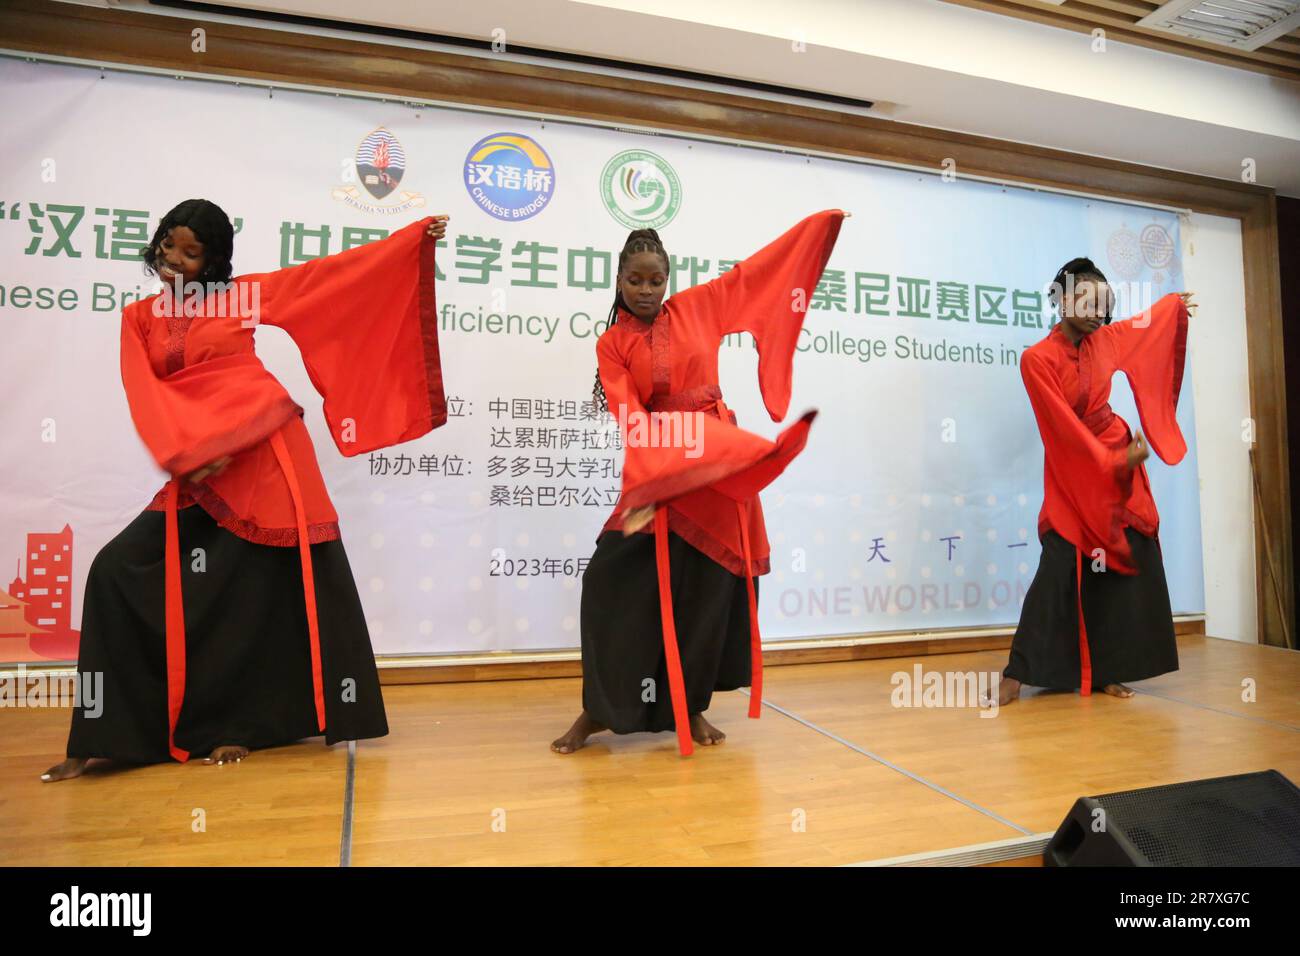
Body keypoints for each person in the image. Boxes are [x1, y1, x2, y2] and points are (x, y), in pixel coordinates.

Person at [43, 198, 449, 779]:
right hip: (201, 463)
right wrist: (184, 454)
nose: (174, 260)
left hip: (266, 453)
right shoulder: (139, 318)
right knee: (115, 570)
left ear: (213, 261)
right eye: (168, 245)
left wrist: (409, 242)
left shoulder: (241, 297)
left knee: (249, 594)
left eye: (191, 251)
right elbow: (145, 392)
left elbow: (325, 281)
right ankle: (104, 736)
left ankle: (242, 728)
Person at [552, 209, 847, 755]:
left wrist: (819, 227)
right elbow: (628, 412)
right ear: (617, 279)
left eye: (656, 279)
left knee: (706, 594)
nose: (646, 290)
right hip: (661, 464)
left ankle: (691, 707)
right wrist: (648, 487)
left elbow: (761, 274)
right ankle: (598, 710)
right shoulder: (612, 343)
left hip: (715, 464)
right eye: (635, 279)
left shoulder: (700, 307)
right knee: (609, 586)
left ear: (670, 279)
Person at [993, 257, 1195, 705]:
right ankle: (1017, 672)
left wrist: (1173, 306)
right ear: (1061, 299)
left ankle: (1108, 668)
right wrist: (1109, 462)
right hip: (1077, 462)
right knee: (1061, 564)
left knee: (1120, 564)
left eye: (1101, 303)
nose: (1093, 310)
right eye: (1083, 298)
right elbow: (1061, 430)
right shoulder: (1037, 359)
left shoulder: (1109, 339)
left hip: (1120, 460)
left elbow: (1149, 325)